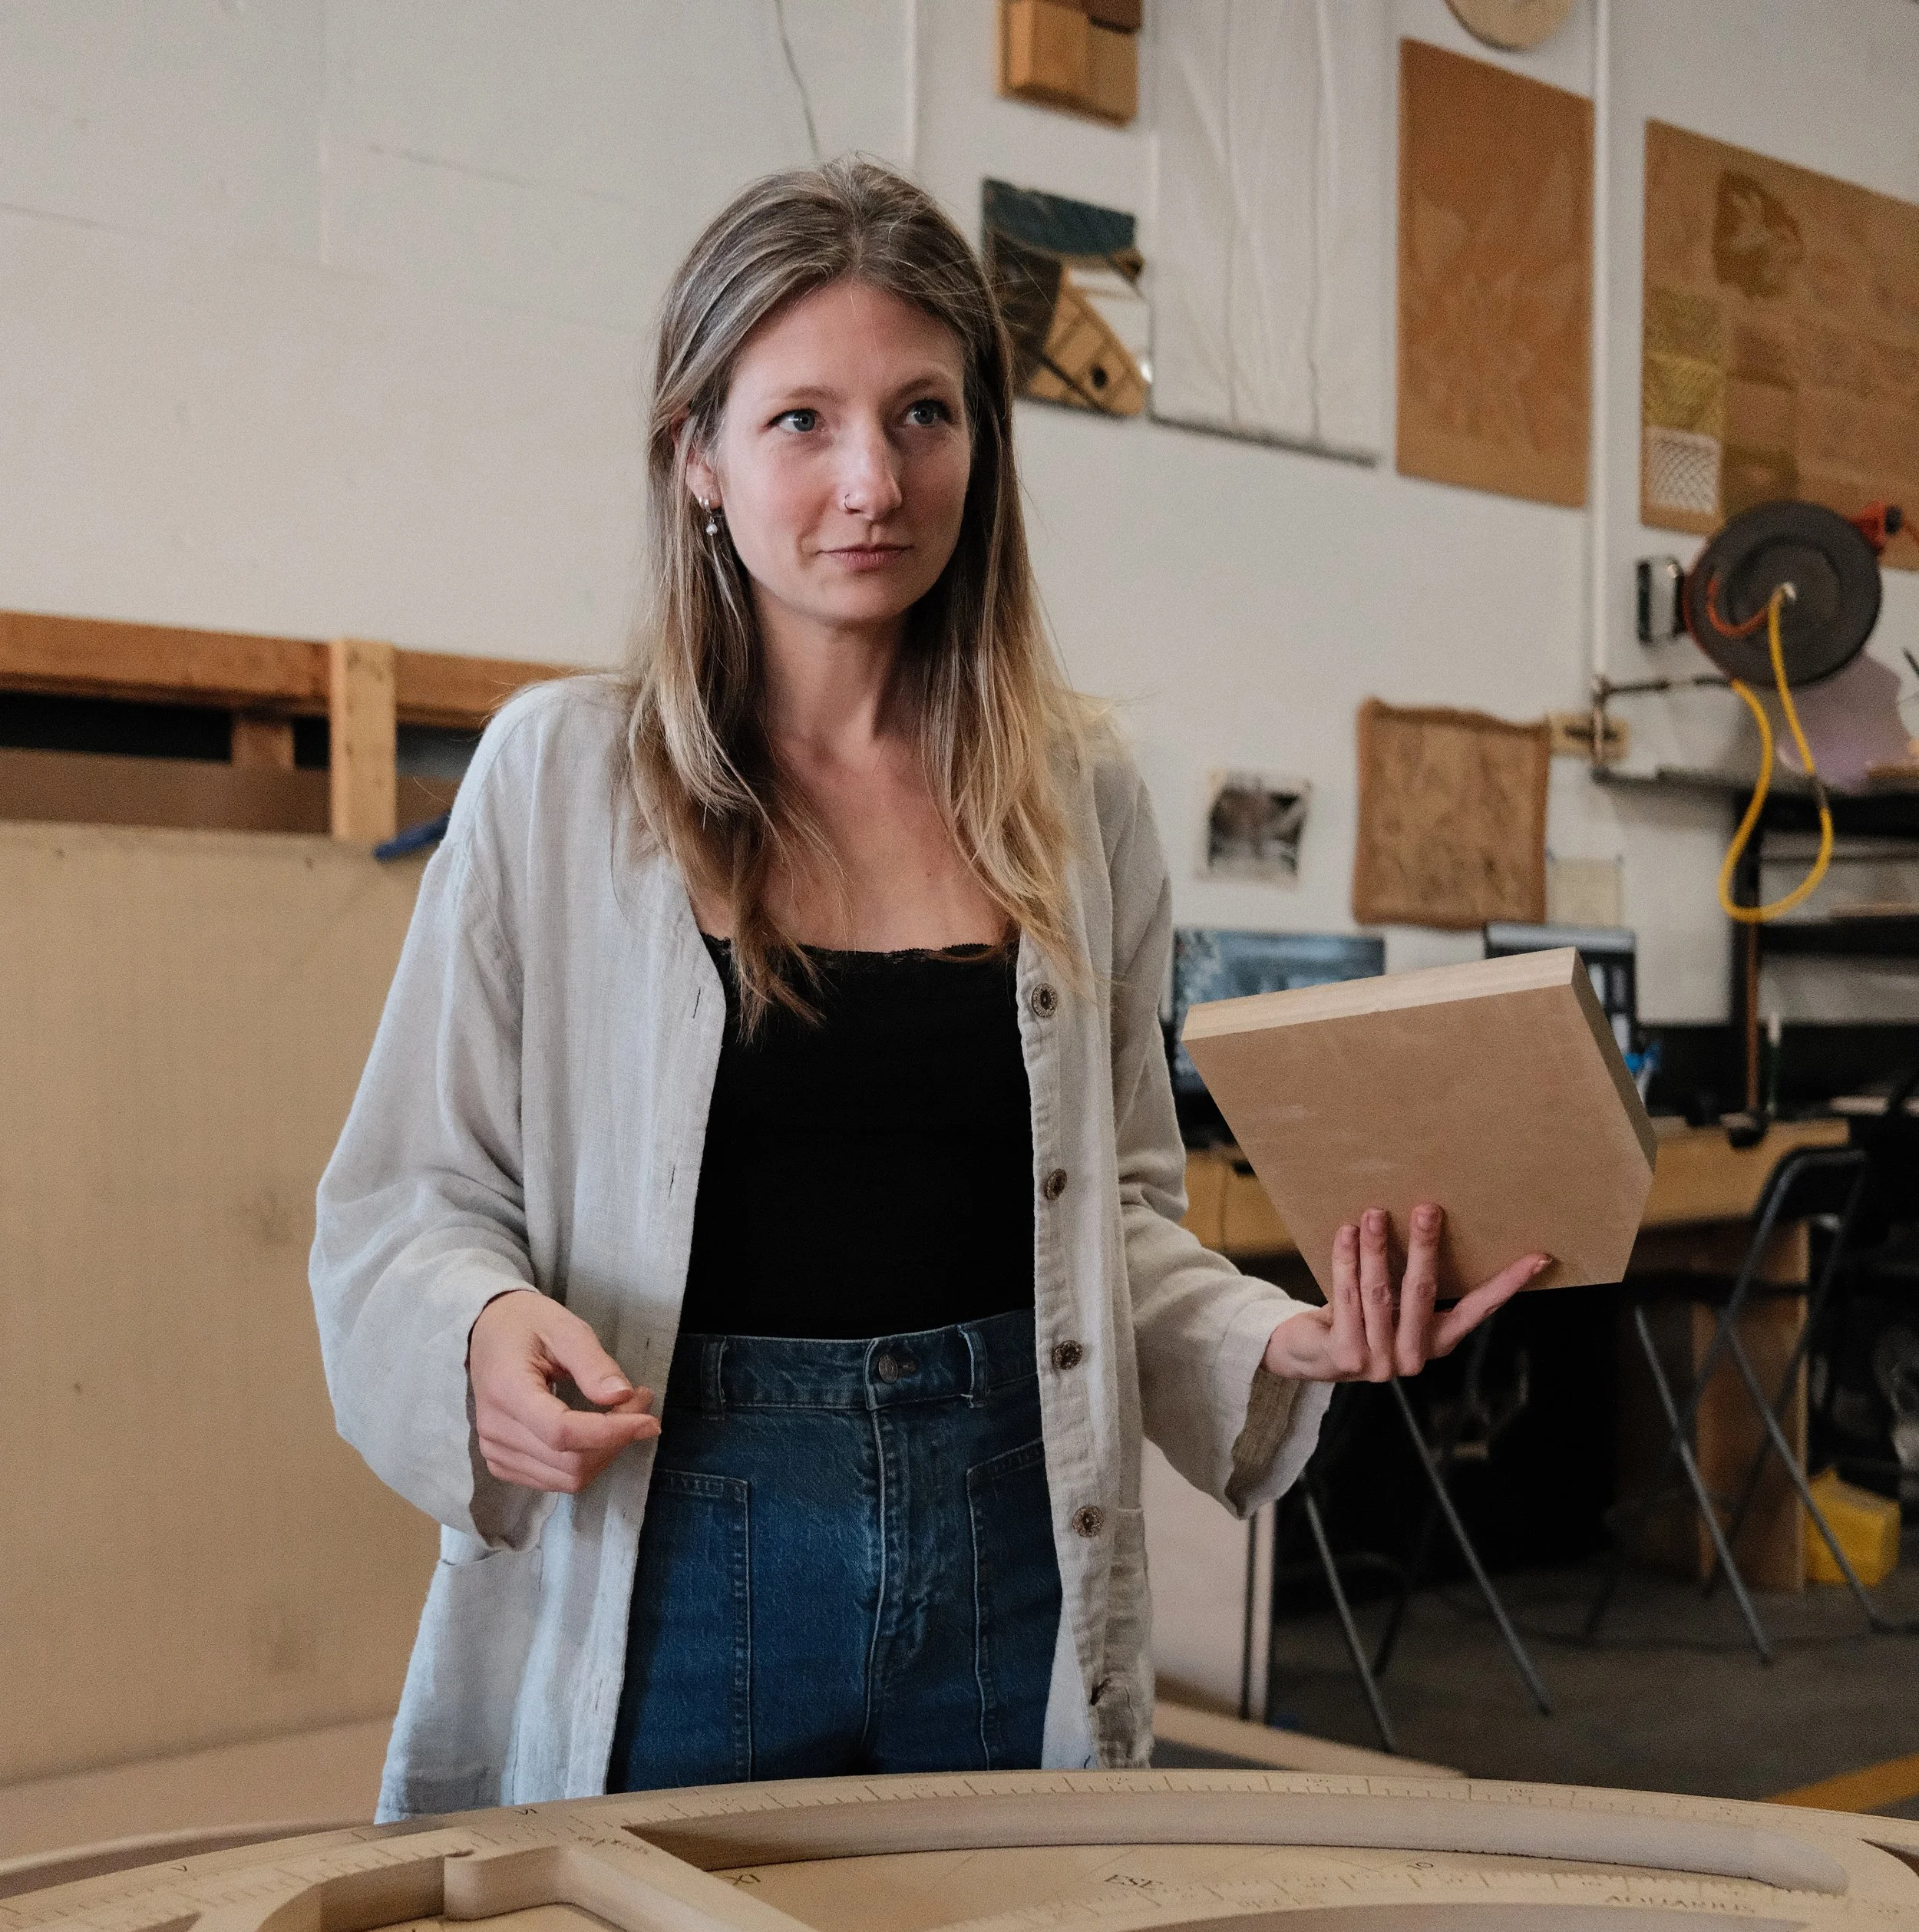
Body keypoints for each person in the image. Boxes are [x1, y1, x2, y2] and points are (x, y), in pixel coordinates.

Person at [311, 157, 1544, 1821]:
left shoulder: (1073, 795)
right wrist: (474, 1329)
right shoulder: (562, 778)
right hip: (685, 1543)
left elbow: (1106, 1213)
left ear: (983, 444)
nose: (870, 480)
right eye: (800, 420)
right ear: (696, 457)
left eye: (921, 414)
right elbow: (412, 1196)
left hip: (1006, 1552)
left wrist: (1284, 1333)